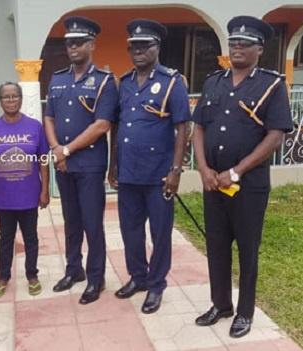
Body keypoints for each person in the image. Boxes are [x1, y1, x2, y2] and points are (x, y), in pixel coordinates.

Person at [192, 16, 293, 338]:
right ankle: (220, 304)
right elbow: (199, 128)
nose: (237, 47)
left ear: (259, 49)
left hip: (248, 186)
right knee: (217, 245)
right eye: (233, 42)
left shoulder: (272, 85)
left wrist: (236, 171)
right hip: (213, 183)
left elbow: (275, 137)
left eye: (245, 44)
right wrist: (204, 168)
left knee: (247, 249)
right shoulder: (213, 82)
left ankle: (244, 312)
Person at [108, 20, 191, 314]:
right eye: (134, 47)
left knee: (159, 232)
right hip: (128, 171)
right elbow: (117, 125)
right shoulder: (125, 82)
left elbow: (182, 127)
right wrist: (112, 164)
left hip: (158, 173)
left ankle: (156, 286)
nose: (138, 51)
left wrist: (176, 170)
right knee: (130, 230)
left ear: (157, 48)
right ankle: (138, 277)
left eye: (145, 46)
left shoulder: (172, 82)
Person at [44, 16, 119, 304]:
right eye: (68, 42)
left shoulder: (104, 82)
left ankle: (96, 278)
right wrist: (55, 149)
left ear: (92, 44)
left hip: (88, 164)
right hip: (63, 163)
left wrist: (66, 150)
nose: (72, 47)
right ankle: (73, 270)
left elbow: (101, 125)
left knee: (91, 222)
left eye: (78, 42)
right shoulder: (58, 78)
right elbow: (48, 116)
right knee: (71, 221)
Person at [0, 82, 50, 298]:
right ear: (0, 101)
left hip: (29, 194)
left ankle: (32, 275)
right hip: (4, 196)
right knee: (5, 238)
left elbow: (43, 160)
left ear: (21, 99)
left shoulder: (34, 126)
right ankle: (3, 276)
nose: (10, 100)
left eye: (14, 96)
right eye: (6, 97)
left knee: (31, 237)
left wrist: (45, 189)